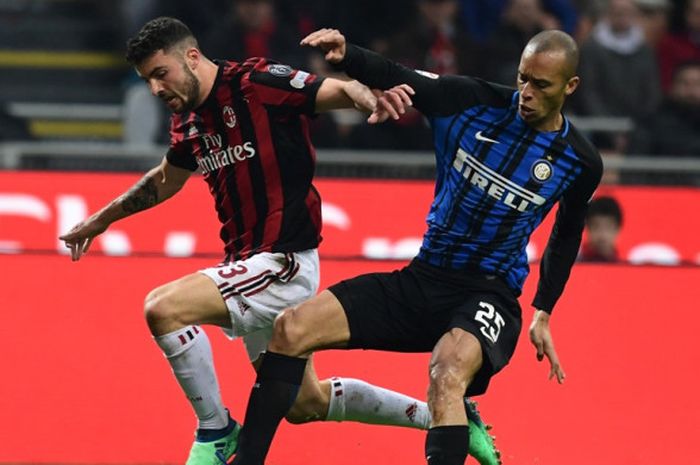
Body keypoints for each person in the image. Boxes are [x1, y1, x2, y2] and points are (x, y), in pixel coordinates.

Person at [58, 17, 499, 465]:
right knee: (304, 404)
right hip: (247, 264)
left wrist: (360, 92)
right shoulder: (187, 120)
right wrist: (101, 219)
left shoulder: (255, 83)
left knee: (163, 308)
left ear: (191, 57)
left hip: (283, 263)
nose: (155, 89)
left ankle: (215, 429)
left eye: (160, 73)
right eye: (147, 80)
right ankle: (446, 417)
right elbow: (166, 180)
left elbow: (329, 91)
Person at [229, 27, 602, 465]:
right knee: (290, 330)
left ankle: (456, 409)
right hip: (423, 278)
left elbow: (567, 231)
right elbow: (399, 74)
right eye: (523, 78)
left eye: (541, 85)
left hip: (489, 293)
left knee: (447, 373)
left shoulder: (579, 161)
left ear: (570, 86)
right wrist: (348, 54)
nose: (526, 93)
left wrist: (544, 309)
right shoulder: (471, 102)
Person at [579, 196, 623, 262]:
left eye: (608, 227)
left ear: (617, 229)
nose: (602, 235)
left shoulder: (623, 267)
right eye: (596, 227)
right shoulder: (573, 263)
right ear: (587, 228)